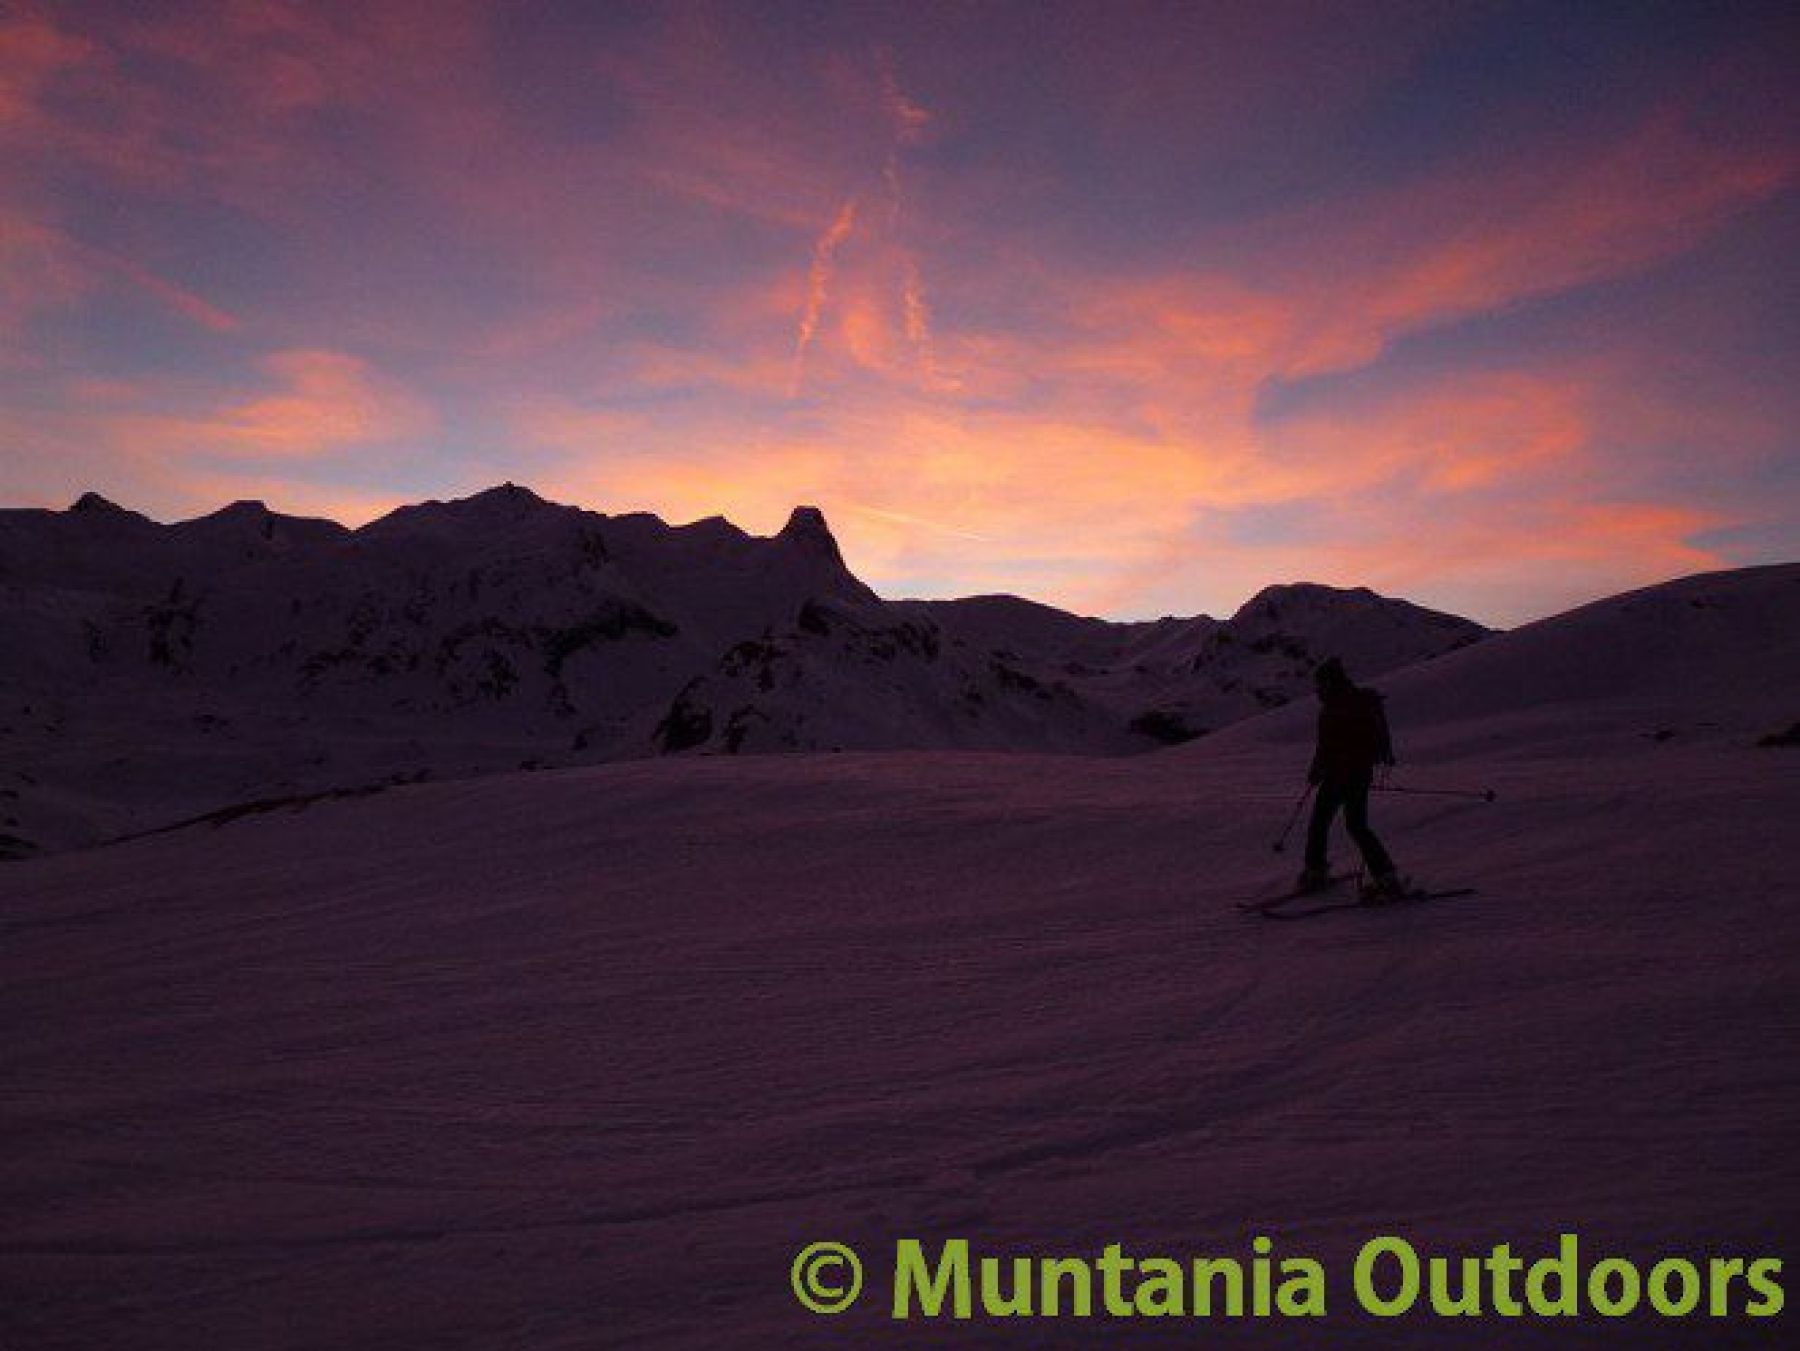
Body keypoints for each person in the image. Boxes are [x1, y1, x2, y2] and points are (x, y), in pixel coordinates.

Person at [1297, 657, 1408, 899]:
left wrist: (1318, 770)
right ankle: (1386, 877)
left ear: (1329, 682)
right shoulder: (1357, 702)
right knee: (1356, 825)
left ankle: (1315, 872)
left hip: (1340, 775)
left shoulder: (1335, 708)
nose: (1317, 689)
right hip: (1358, 774)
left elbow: (1327, 746)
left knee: (1320, 822)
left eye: (1320, 684)